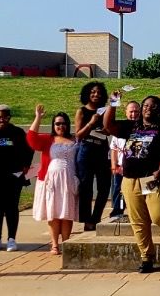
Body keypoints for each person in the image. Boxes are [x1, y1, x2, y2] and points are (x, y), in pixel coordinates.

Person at [103, 93, 160, 273]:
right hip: (130, 180)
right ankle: (146, 258)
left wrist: (159, 173)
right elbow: (108, 126)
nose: (149, 109)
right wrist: (113, 103)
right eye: (146, 106)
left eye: (154, 106)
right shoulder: (131, 126)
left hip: (152, 179)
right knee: (138, 221)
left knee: (159, 216)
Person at [0, 105, 33, 252]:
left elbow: (28, 150)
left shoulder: (17, 133)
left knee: (11, 207)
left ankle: (11, 239)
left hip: (13, 177)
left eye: (3, 117)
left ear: (9, 117)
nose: (0, 120)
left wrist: (25, 166)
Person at [27, 105, 79, 255]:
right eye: (57, 123)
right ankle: (55, 244)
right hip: (52, 181)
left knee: (67, 212)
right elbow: (31, 138)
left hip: (69, 179)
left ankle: (67, 243)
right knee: (54, 212)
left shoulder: (75, 139)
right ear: (53, 125)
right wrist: (38, 117)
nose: (60, 126)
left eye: (63, 123)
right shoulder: (48, 139)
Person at [74, 82, 112, 231]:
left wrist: (106, 130)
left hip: (102, 149)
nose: (96, 95)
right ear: (87, 94)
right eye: (93, 92)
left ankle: (95, 219)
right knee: (86, 188)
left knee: (104, 187)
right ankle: (87, 221)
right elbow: (78, 135)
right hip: (86, 150)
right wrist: (91, 123)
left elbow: (110, 130)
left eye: (99, 92)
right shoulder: (81, 111)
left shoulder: (104, 110)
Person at [109, 100, 140, 219]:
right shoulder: (120, 128)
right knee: (119, 191)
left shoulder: (143, 127)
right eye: (131, 111)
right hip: (121, 168)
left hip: (138, 168)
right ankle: (118, 211)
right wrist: (114, 165)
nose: (134, 114)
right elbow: (114, 149)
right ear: (126, 112)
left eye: (136, 111)